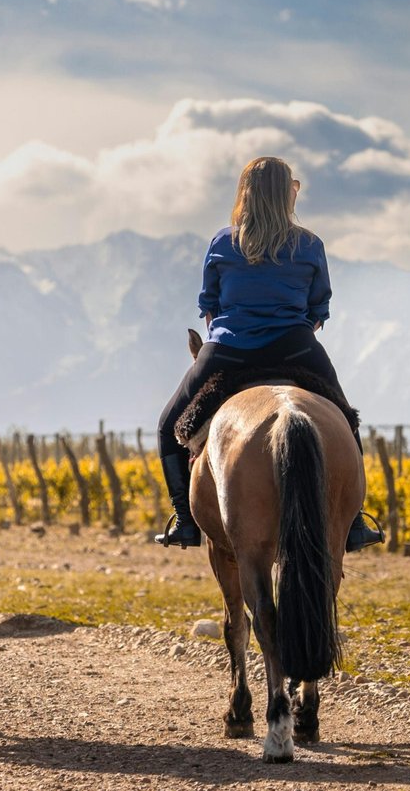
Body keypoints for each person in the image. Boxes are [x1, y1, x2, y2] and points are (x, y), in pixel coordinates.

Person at [153, 157, 384, 553]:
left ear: (245, 193)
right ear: (287, 193)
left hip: (229, 350)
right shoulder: (309, 244)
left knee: (168, 426)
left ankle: (185, 521)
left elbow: (209, 305)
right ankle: (355, 523)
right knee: (345, 420)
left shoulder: (223, 242)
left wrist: (235, 334)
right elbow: (318, 310)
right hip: (295, 346)